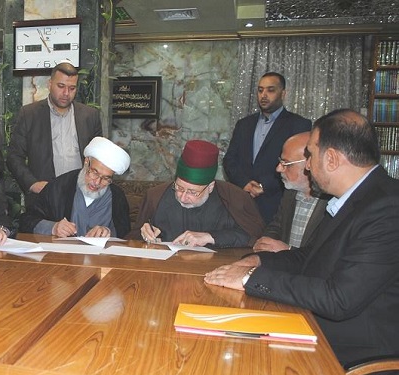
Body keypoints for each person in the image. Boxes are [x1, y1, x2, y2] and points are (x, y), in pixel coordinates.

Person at [205, 110, 399, 375]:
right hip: (315, 332)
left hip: (353, 361)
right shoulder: (355, 198)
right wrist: (256, 261)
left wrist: (249, 278)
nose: (307, 165)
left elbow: (339, 299)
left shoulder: (387, 207)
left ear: (331, 159)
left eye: (310, 155)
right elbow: (309, 258)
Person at [135, 140, 264, 248]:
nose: (183, 197)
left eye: (192, 192)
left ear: (210, 187)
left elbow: (254, 236)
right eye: (179, 188)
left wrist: (211, 237)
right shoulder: (156, 196)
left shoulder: (236, 199)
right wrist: (146, 232)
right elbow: (135, 237)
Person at [7, 62, 102, 205]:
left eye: (72, 88)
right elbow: (14, 156)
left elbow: (99, 158)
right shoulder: (29, 114)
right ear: (50, 84)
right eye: (61, 86)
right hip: (44, 197)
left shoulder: (89, 116)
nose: (66, 93)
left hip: (81, 196)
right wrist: (32, 184)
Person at [223, 72, 312, 224]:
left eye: (270, 90)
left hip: (276, 204)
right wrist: (244, 183)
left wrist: (264, 185)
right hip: (241, 202)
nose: (264, 95)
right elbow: (230, 160)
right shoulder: (244, 124)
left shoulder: (298, 124)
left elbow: (299, 166)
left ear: (283, 93)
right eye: (260, 90)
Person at [19, 137, 131, 238]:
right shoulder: (59, 187)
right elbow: (26, 221)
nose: (97, 182)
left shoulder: (117, 197)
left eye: (106, 178)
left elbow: (126, 233)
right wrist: (53, 227)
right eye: (94, 172)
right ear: (86, 162)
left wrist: (108, 232)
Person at [253, 132, 328, 252]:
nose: (278, 168)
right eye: (280, 162)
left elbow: (327, 253)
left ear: (310, 164)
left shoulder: (332, 202)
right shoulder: (291, 192)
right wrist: (266, 244)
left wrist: (288, 250)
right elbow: (276, 227)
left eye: (286, 163)